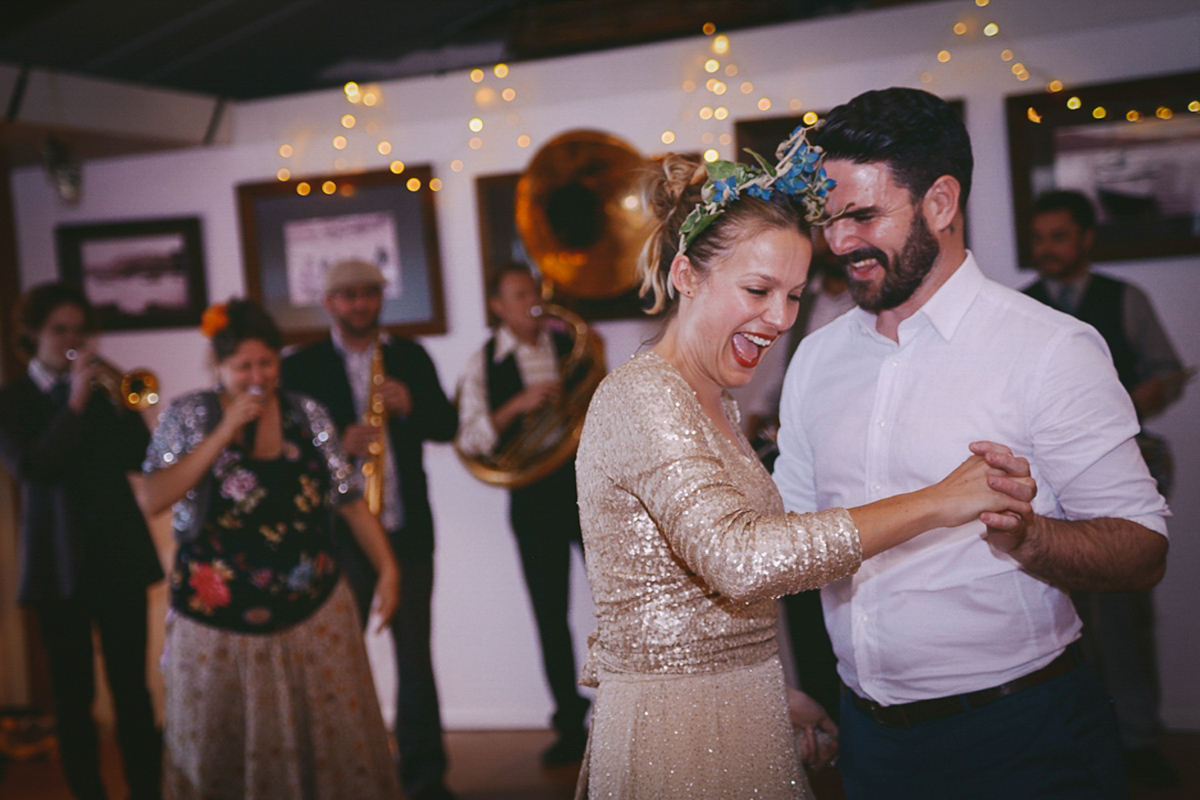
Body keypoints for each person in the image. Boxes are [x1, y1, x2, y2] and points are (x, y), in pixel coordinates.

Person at [572, 126, 1037, 799]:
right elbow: (742, 560)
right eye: (758, 289)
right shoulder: (643, 397)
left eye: (793, 295)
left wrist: (770, 695)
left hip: (730, 713)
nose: (781, 317)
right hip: (671, 739)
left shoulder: (716, 405)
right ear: (686, 276)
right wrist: (938, 501)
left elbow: (695, 606)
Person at [774, 87, 1171, 800]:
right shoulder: (814, 360)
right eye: (827, 219)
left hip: (1022, 737)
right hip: (866, 741)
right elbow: (792, 543)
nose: (836, 242)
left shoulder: (1051, 348)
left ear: (941, 203)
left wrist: (1033, 541)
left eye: (863, 215)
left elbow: (1144, 550)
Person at [141, 298, 401, 800]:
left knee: (332, 738)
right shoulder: (189, 415)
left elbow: (348, 501)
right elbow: (155, 497)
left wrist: (388, 569)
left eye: (267, 363)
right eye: (243, 366)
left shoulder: (308, 413)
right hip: (219, 619)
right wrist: (224, 431)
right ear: (219, 366)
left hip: (313, 609)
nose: (258, 375)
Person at [1025, 189, 1187, 787]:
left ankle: (1139, 740)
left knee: (1122, 616)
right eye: (1039, 238)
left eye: (1059, 236)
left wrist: (1125, 400)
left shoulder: (1126, 298)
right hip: (1045, 491)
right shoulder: (1025, 307)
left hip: (1116, 477)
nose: (1047, 249)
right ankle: (1076, 737)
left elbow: (1167, 372)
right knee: (1057, 617)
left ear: (1086, 238)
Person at [280, 259, 458, 800]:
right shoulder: (302, 366)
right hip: (338, 537)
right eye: (347, 295)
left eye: (369, 294)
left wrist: (414, 406)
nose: (359, 303)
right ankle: (344, 775)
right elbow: (284, 451)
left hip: (406, 531)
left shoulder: (409, 355)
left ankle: (425, 779)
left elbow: (447, 426)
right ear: (329, 302)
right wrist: (334, 443)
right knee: (336, 661)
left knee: (415, 658)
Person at [0, 282, 163, 800]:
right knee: (73, 698)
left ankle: (147, 793)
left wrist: (120, 406)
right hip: (57, 564)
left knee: (133, 694)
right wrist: (72, 405)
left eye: (79, 329)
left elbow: (140, 457)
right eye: (59, 330)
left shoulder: (102, 390)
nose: (71, 340)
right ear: (31, 335)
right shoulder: (13, 400)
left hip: (118, 555)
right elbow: (31, 467)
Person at [455, 262, 593, 766]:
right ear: (497, 306)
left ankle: (635, 706)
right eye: (517, 294)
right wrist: (517, 405)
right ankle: (569, 723)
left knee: (620, 599)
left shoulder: (568, 343)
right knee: (549, 614)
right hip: (532, 498)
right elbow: (469, 436)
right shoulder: (483, 362)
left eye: (532, 291)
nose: (531, 301)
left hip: (585, 486)